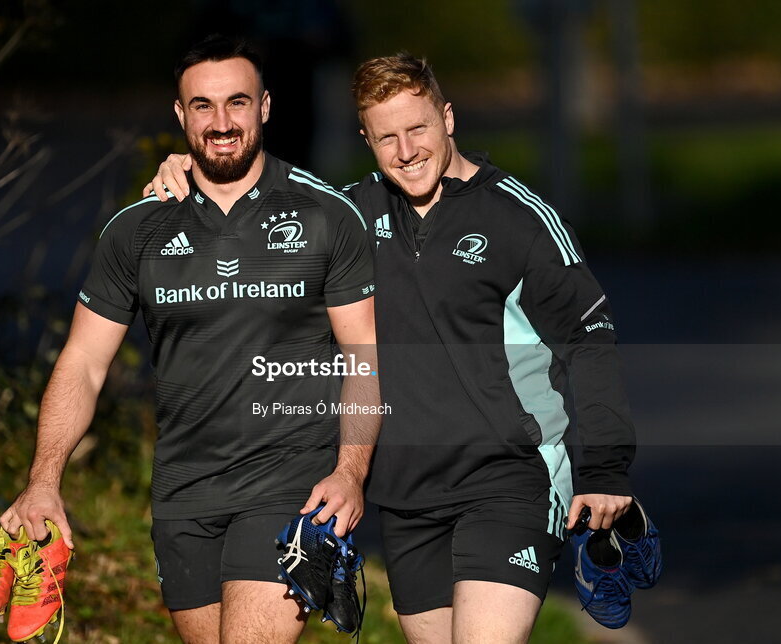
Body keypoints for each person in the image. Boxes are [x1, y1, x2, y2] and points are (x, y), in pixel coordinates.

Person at [147, 53, 638, 643]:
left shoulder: (520, 219)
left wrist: (605, 467)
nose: (406, 151)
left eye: (418, 128)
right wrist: (190, 170)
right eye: (386, 138)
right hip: (406, 501)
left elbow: (590, 339)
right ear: (366, 139)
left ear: (447, 118)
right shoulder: (350, 215)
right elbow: (256, 217)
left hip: (510, 480)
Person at [0, 35, 381, 644]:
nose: (222, 122)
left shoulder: (325, 215)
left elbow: (365, 357)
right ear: (180, 116)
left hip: (292, 487)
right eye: (202, 106)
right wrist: (45, 479)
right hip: (183, 495)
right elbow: (84, 363)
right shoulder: (137, 229)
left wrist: (350, 471)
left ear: (265, 106)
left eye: (237, 102)